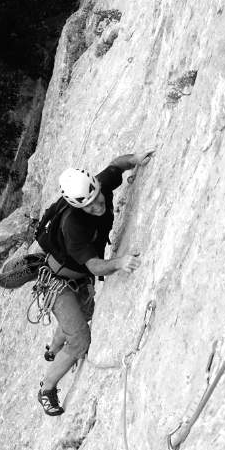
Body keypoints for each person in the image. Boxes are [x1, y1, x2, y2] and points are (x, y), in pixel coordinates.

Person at [36, 151, 154, 416]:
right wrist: (121, 262)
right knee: (80, 340)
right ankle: (46, 388)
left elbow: (116, 165)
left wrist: (134, 158)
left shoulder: (98, 184)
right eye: (89, 206)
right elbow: (96, 266)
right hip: (57, 284)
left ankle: (53, 349)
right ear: (78, 207)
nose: (98, 206)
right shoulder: (73, 226)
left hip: (76, 278)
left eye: (98, 198)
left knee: (84, 314)